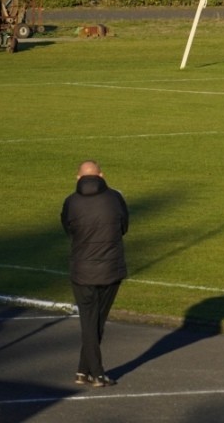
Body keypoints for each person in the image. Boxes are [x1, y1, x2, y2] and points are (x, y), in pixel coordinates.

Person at [61, 160, 129, 387]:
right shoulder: (116, 198)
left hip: (82, 270)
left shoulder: (71, 202)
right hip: (111, 269)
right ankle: (96, 373)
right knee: (97, 322)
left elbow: (68, 229)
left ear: (78, 178)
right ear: (101, 175)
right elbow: (124, 227)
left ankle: (84, 370)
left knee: (89, 321)